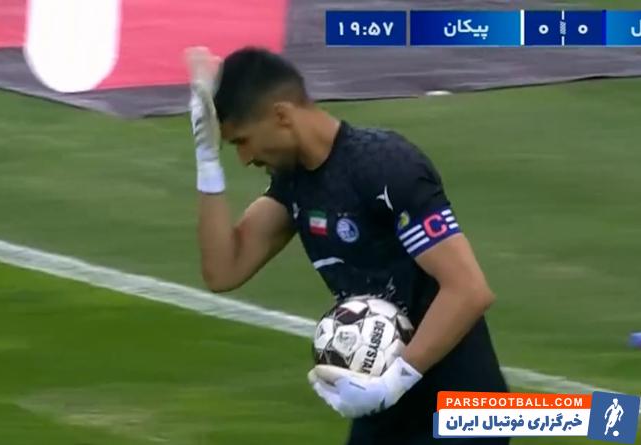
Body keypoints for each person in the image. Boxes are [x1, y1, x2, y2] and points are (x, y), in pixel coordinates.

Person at [186, 45, 509, 444]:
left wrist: (393, 382)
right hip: (384, 403)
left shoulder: (384, 166)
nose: (244, 157)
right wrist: (206, 159)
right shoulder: (295, 182)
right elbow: (223, 270)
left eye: (242, 141)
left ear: (282, 116)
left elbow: (469, 290)